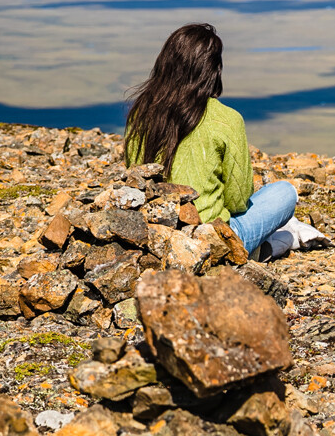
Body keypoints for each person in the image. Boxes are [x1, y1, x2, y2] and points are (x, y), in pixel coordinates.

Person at [124, 22, 322, 259]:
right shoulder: (226, 119)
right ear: (213, 69)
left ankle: (261, 245)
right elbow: (238, 201)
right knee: (284, 192)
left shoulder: (141, 112)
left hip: (156, 235)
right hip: (212, 238)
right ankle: (254, 248)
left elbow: (135, 177)